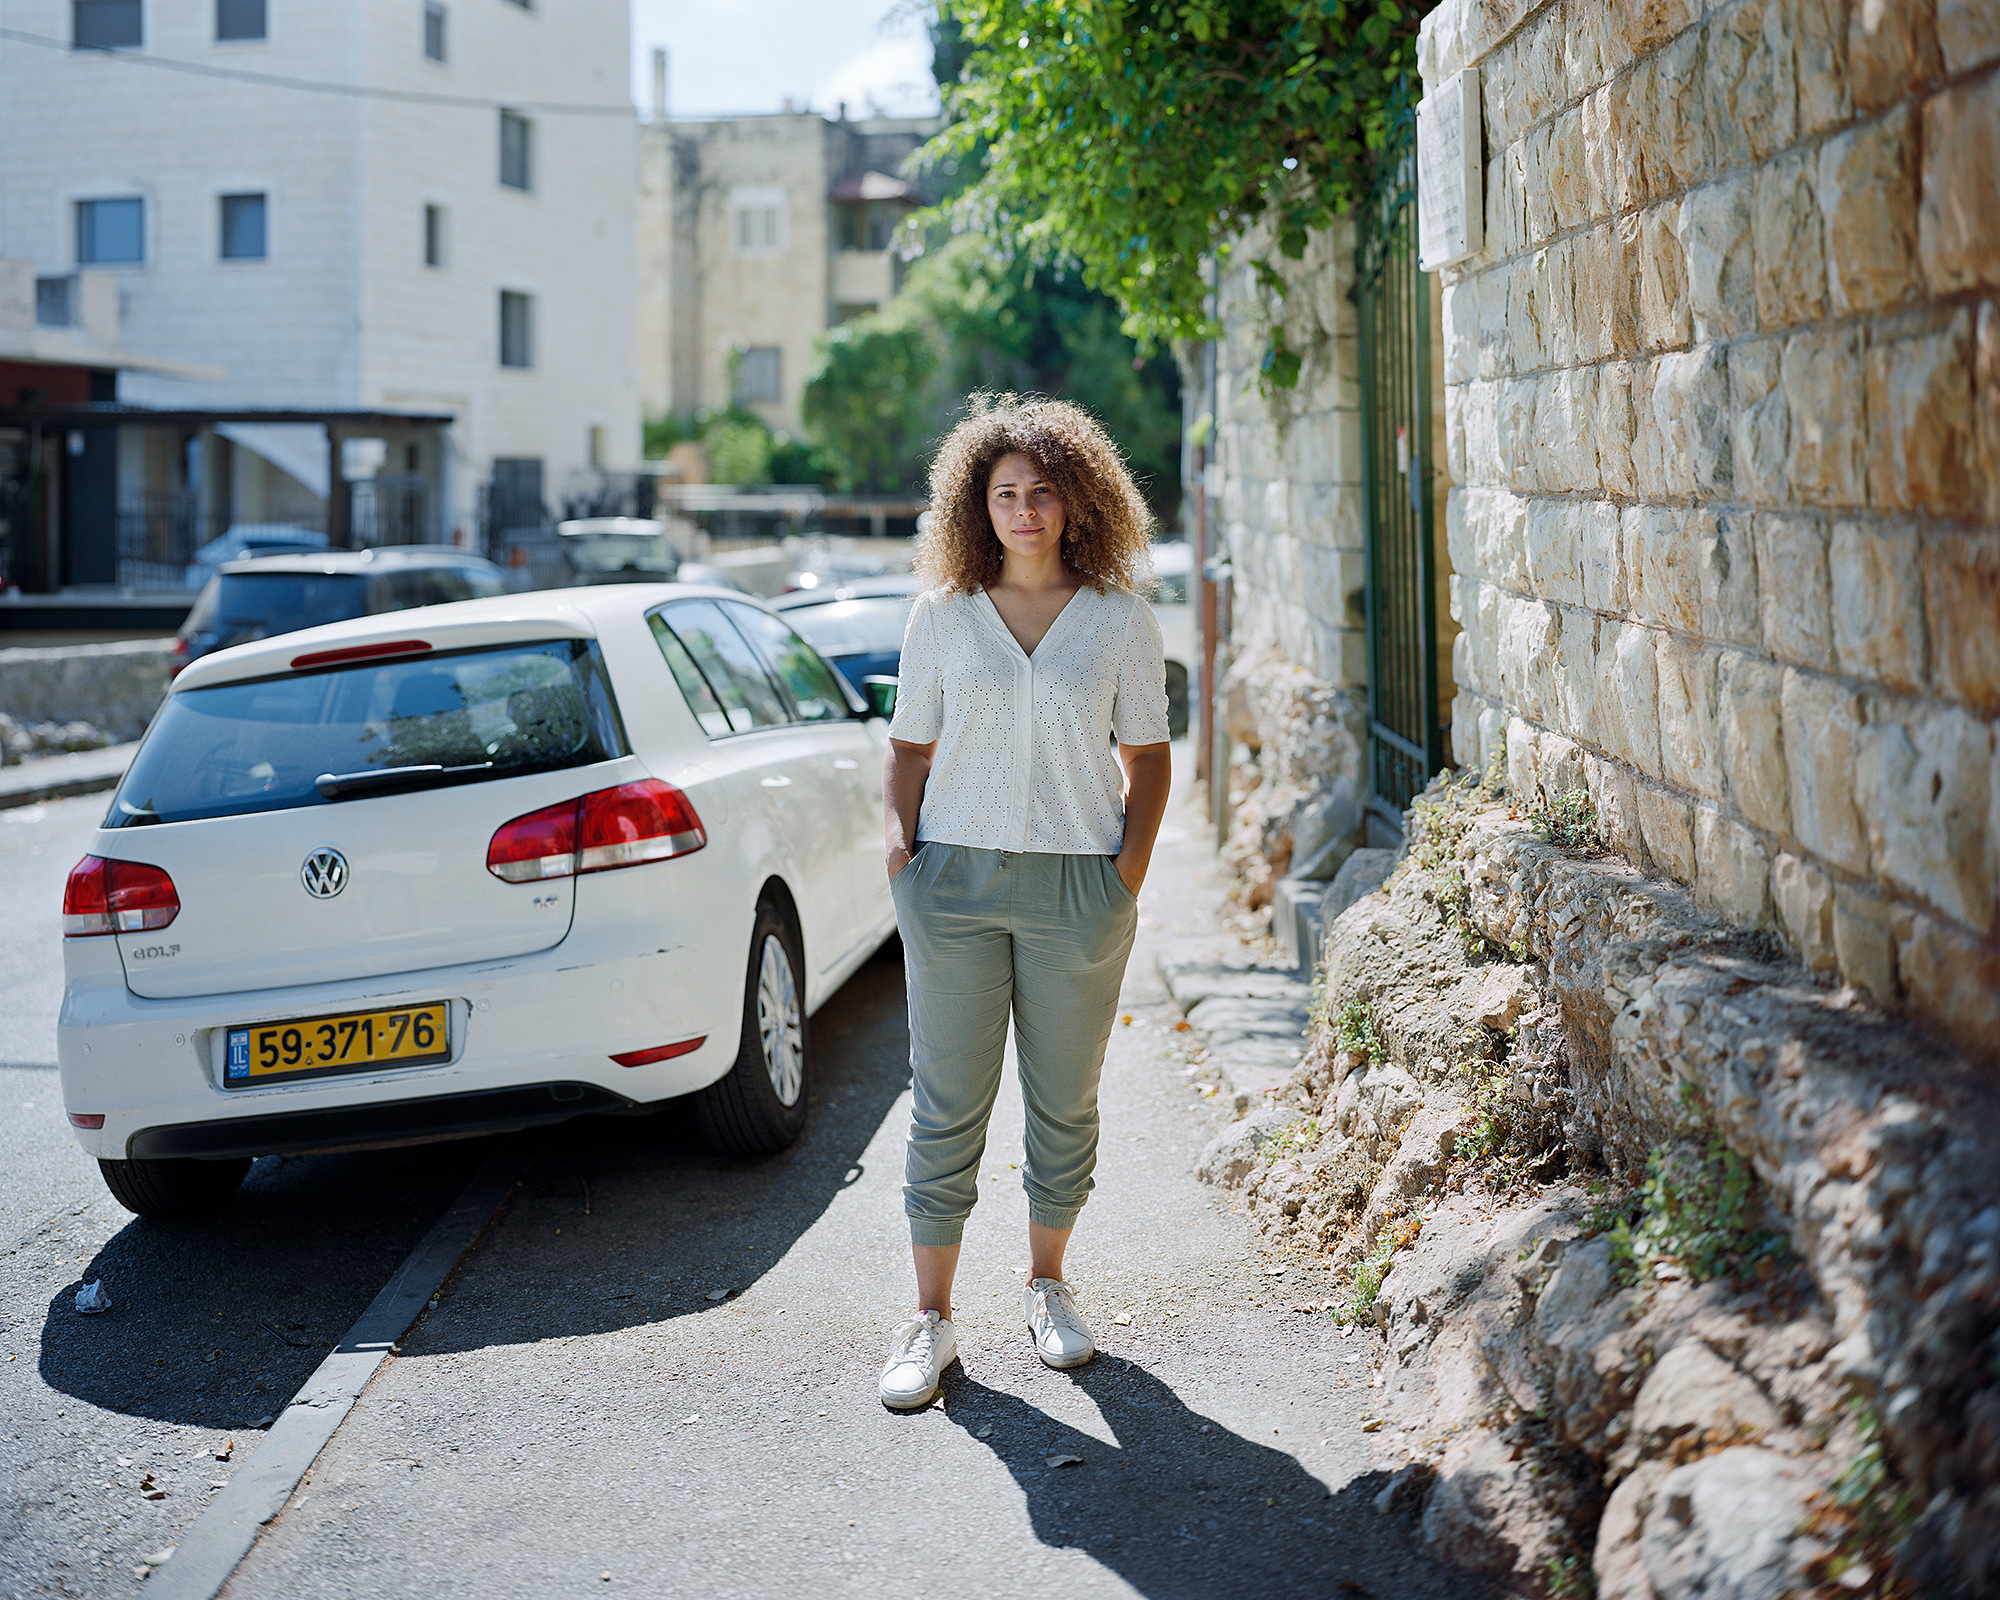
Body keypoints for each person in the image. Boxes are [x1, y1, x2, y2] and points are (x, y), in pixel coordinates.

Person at [877, 395, 1172, 1410]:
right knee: (945, 1103)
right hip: (950, 881)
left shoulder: (1121, 618)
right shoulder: (939, 615)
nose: (1024, 508)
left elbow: (1147, 757)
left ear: (1076, 498)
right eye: (1004, 492)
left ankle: (1046, 1286)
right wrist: (898, 855)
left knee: (1062, 1101)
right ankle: (930, 1320)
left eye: (1042, 489)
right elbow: (908, 748)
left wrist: (1121, 877)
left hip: (1076, 887)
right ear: (976, 504)